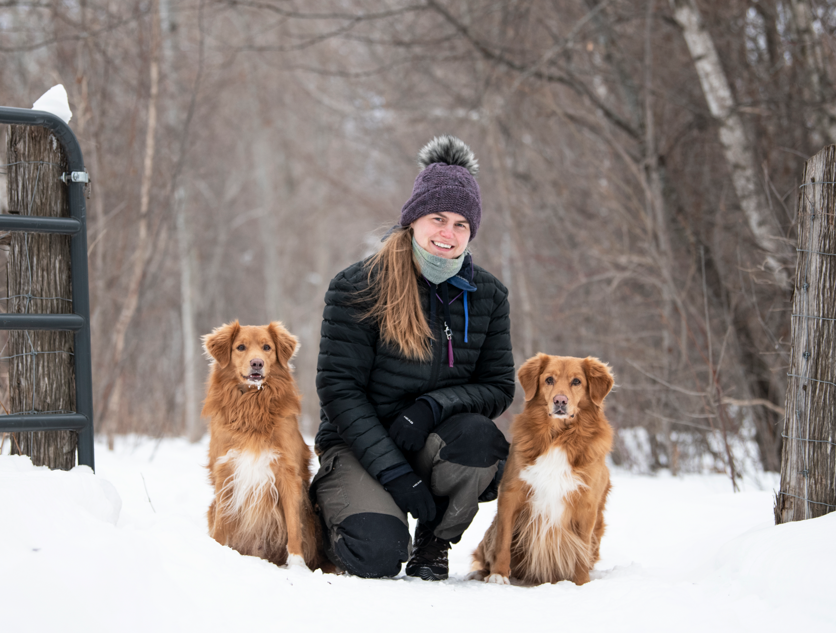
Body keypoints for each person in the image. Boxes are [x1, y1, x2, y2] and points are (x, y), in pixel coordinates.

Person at [312, 135, 515, 580]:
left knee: (481, 441)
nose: (448, 233)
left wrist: (431, 408)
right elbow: (338, 390)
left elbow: (499, 386)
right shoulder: (358, 285)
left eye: (461, 224)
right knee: (377, 553)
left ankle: (435, 539)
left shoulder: (489, 295)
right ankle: (336, 513)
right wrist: (397, 476)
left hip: (432, 441)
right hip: (358, 446)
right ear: (413, 220)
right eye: (438, 218)